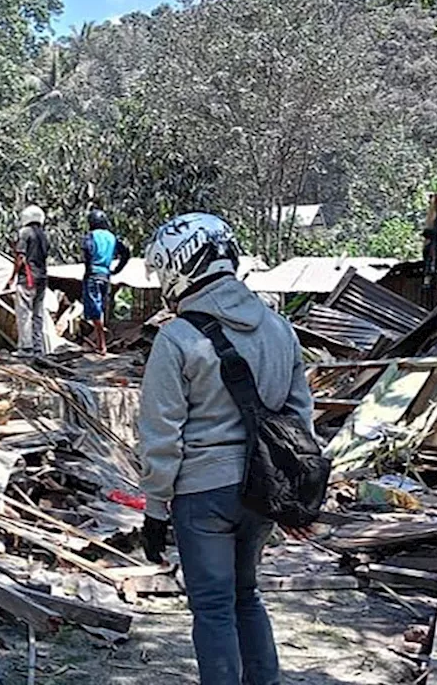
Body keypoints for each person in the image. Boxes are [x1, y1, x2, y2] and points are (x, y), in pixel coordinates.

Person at [138, 213, 313, 685]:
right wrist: (294, 497)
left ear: (176, 269)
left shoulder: (177, 337)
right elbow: (300, 418)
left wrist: (155, 508)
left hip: (203, 493)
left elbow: (161, 433)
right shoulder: (280, 328)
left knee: (213, 607)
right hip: (264, 491)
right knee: (246, 596)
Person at [81, 209, 130, 356]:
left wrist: (88, 269)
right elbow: (126, 253)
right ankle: (98, 341)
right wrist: (117, 269)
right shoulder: (112, 237)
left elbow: (88, 251)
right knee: (100, 307)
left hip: (93, 275)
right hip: (106, 275)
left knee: (93, 309)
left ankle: (101, 343)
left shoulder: (90, 236)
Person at [6, 204, 49, 356]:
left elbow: (21, 257)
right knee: (38, 314)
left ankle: (25, 347)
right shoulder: (43, 235)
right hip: (42, 278)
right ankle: (38, 348)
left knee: (24, 312)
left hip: (28, 279)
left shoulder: (25, 232)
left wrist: (12, 277)